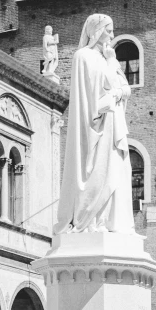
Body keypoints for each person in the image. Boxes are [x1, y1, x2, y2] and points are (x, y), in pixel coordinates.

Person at [54, 13, 134, 234]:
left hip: (113, 122)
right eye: (108, 30)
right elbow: (98, 89)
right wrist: (114, 81)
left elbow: (123, 87)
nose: (112, 34)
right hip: (96, 124)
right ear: (96, 31)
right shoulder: (83, 56)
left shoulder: (107, 58)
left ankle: (106, 221)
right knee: (99, 172)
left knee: (116, 169)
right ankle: (89, 220)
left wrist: (112, 65)